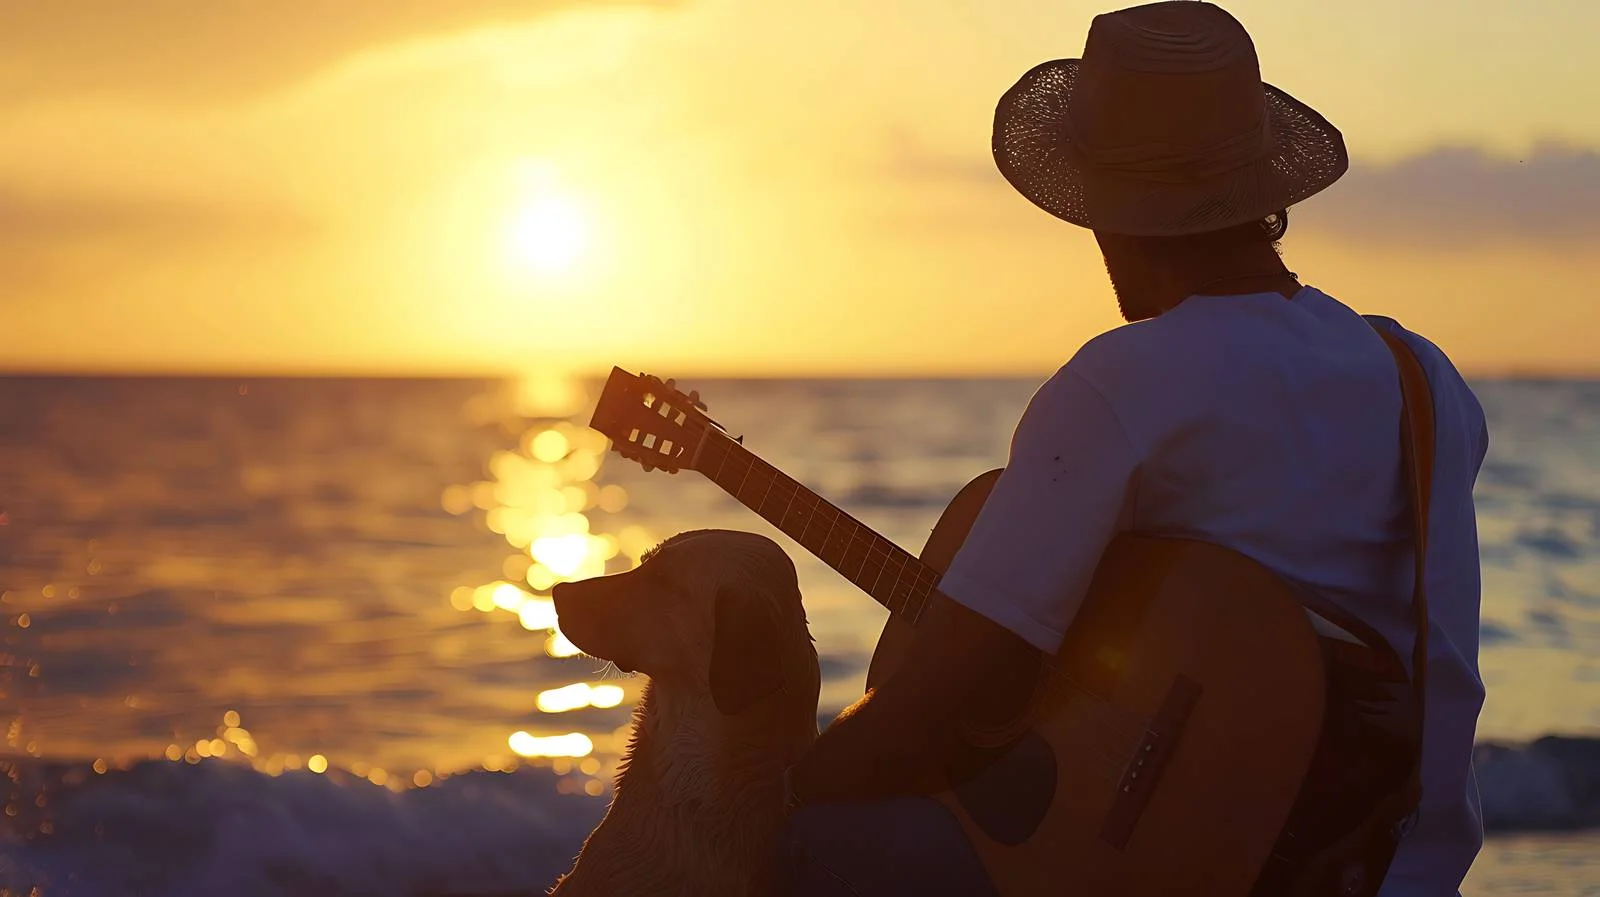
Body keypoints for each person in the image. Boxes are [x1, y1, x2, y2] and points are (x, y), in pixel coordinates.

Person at [775, 2, 1489, 896]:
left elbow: (931, 709)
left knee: (812, 838)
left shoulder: (1122, 381)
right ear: (1262, 189)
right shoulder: (1424, 377)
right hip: (1399, 872)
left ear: (1108, 208)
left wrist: (782, 791)